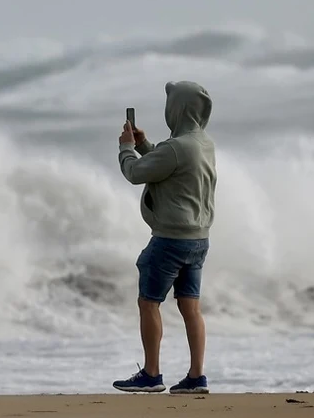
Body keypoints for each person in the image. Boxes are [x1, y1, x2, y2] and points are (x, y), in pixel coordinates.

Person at [112, 80, 217, 395]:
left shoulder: (176, 147)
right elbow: (170, 165)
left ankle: (151, 374)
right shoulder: (203, 143)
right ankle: (197, 377)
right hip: (199, 240)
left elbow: (136, 173)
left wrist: (127, 148)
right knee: (191, 308)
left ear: (178, 109)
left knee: (148, 303)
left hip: (170, 239)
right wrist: (145, 146)